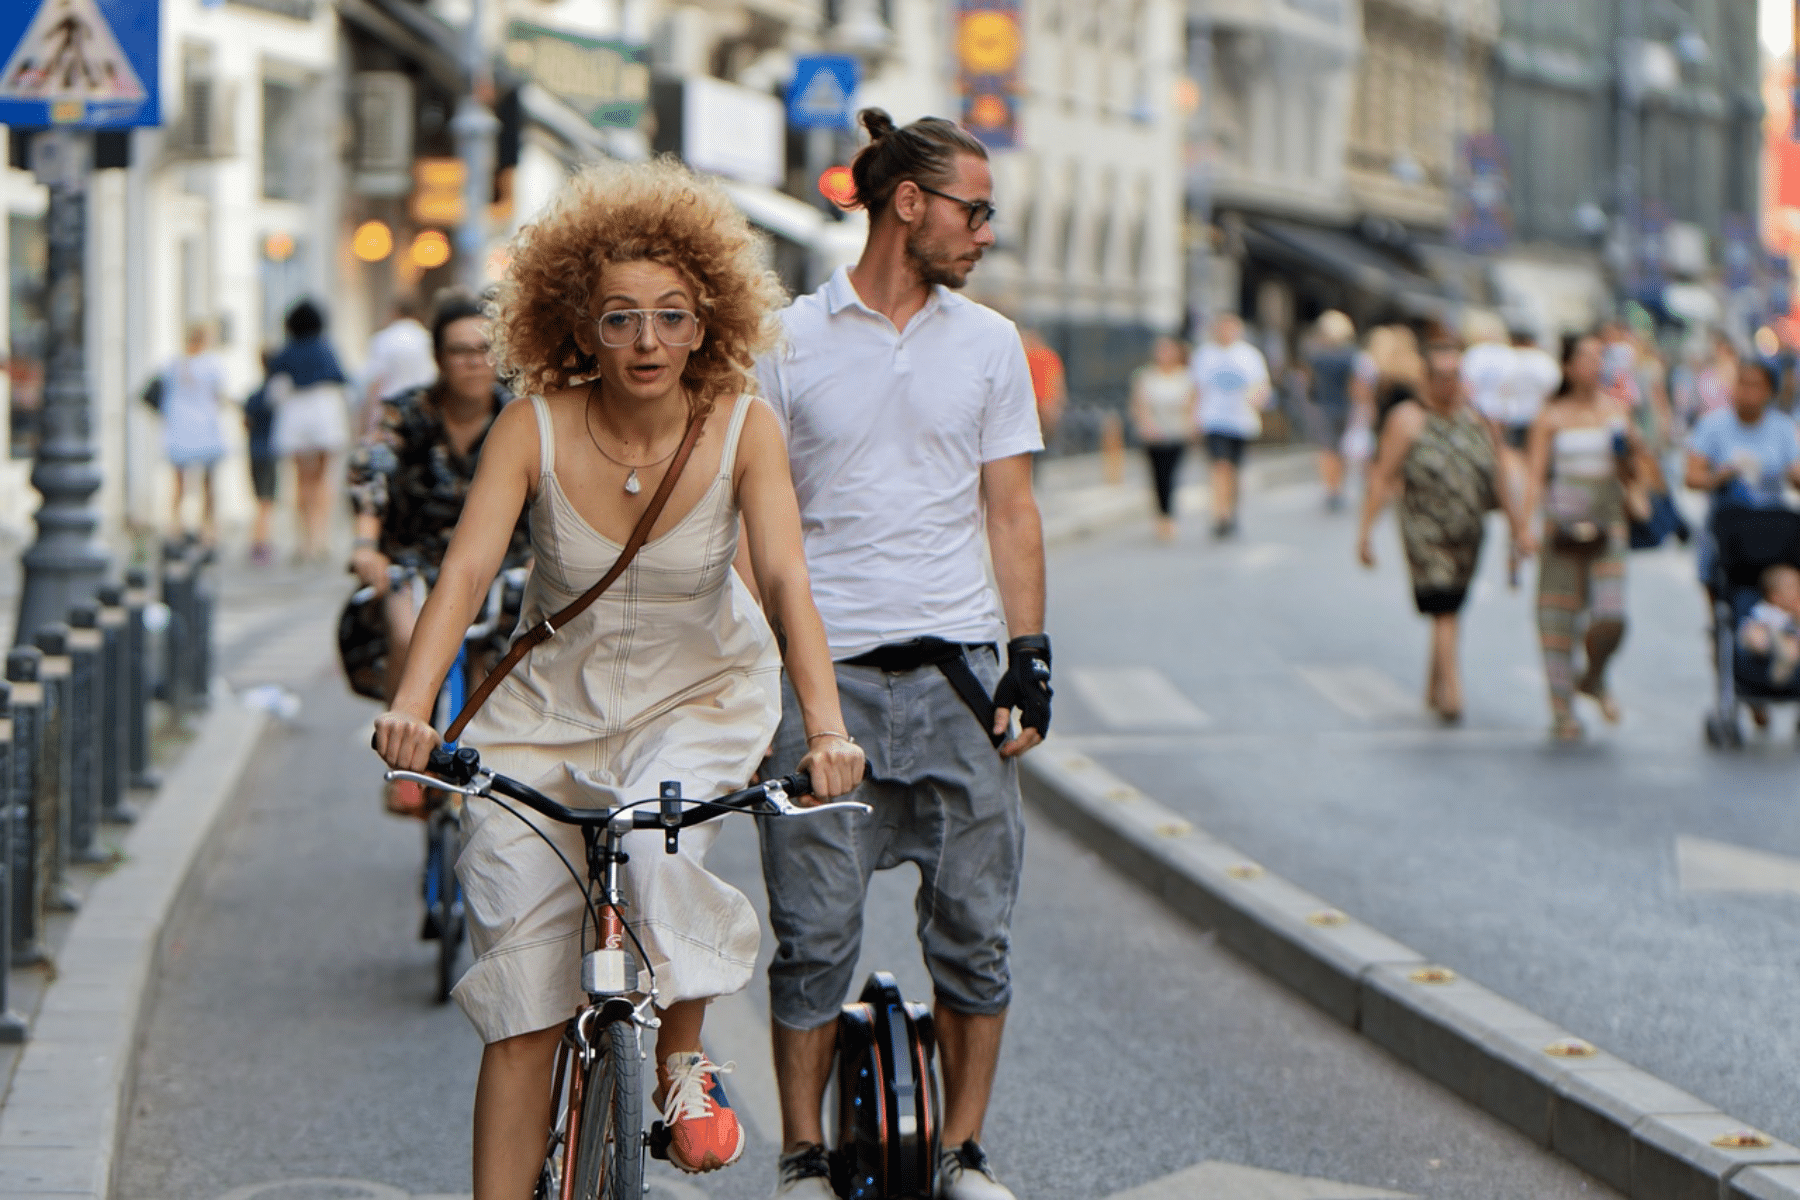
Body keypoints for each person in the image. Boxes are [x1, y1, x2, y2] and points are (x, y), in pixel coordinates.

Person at [372, 158, 865, 1196]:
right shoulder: (534, 424)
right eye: (620, 319)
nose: (648, 343)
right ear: (576, 326)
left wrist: (825, 728)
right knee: (523, 1001)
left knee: (654, 844)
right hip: (548, 712)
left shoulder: (742, 427)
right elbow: (464, 573)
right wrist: (411, 711)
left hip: (699, 698)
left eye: (672, 317)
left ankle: (679, 1059)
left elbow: (782, 580)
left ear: (707, 323)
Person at [752, 108, 1048, 1200]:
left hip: (959, 681)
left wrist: (1032, 657)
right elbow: (757, 529)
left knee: (977, 933)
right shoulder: (785, 341)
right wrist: (771, 672)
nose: (985, 232)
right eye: (973, 210)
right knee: (814, 936)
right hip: (827, 688)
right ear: (907, 204)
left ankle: (965, 1154)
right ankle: (800, 1158)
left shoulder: (990, 343)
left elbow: (1010, 511)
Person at [346, 294, 530, 815]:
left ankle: (486, 770)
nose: (473, 361)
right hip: (416, 557)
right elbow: (371, 473)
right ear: (439, 358)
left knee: (499, 660)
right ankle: (405, 753)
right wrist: (365, 545)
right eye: (459, 351)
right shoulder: (403, 413)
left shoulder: (520, 415)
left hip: (505, 562)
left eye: (484, 349)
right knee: (407, 628)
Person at [1357, 336, 1530, 722]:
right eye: (1443, 376)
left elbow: (1500, 477)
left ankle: (1434, 682)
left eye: (1457, 375)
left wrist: (1519, 529)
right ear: (1428, 379)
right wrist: (1365, 534)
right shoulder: (1407, 420)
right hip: (1424, 528)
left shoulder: (1479, 419)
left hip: (1469, 530)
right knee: (1444, 602)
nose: (1451, 384)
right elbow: (1383, 477)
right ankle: (1453, 688)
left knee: (1450, 605)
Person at [1522, 334, 1638, 742]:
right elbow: (1535, 477)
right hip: (1562, 524)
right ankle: (1562, 711)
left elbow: (1632, 474)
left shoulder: (1618, 411)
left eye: (1599, 356)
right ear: (1569, 367)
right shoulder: (1551, 415)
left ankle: (1593, 676)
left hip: (1608, 522)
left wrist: (1632, 456)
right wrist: (1524, 528)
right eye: (1586, 356)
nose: (1594, 363)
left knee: (1611, 615)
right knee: (1557, 617)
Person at [1685, 359, 1800, 595]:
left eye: (1755, 385)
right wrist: (1718, 477)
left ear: (1769, 391)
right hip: (1729, 522)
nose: (1747, 392)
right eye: (1742, 383)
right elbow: (1691, 477)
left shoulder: (1783, 428)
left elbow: (1795, 471)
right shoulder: (1712, 425)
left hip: (1772, 524)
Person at [267, 299, 351, 563]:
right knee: (325, 479)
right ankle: (321, 536)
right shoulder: (325, 349)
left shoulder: (287, 351)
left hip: (296, 414)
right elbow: (342, 377)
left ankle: (303, 540)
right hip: (324, 412)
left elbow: (275, 379)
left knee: (301, 480)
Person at [1192, 311, 1271, 538]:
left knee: (1234, 471)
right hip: (1213, 419)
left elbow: (1262, 386)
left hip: (1241, 421)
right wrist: (1193, 420)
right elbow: (1196, 389)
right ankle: (1220, 514)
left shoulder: (1250, 356)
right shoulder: (1204, 355)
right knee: (1219, 466)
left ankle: (1231, 510)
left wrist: (1256, 399)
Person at [161, 322, 229, 546]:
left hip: (180, 427)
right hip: (204, 427)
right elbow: (219, 396)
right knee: (208, 482)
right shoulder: (211, 366)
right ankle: (207, 528)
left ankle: (176, 525)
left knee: (179, 482)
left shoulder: (175, 365)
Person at [1130, 335, 1196, 541]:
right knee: (1157, 476)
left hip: (1177, 432)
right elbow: (1139, 404)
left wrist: (1191, 426)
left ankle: (1169, 516)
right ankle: (1161, 516)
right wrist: (1147, 426)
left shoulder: (1185, 377)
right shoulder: (1146, 376)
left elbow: (1193, 404)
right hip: (1154, 434)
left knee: (1171, 475)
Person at [1305, 310, 1358, 512]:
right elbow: (1355, 384)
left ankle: (1331, 489)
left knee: (1328, 449)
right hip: (1344, 405)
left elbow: (1310, 381)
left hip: (1323, 405)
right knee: (1339, 450)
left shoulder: (1317, 354)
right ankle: (1337, 488)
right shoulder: (1350, 355)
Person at [360, 294, 438, 432]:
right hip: (423, 410)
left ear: (395, 312)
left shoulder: (383, 339)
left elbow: (375, 382)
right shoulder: (427, 338)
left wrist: (366, 422)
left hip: (390, 413)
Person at [243, 349, 279, 566]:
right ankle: (261, 541)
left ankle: (259, 539)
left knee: (260, 499)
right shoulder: (275, 394)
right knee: (267, 500)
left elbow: (246, 421)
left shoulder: (255, 395)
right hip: (270, 450)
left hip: (254, 449)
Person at [1738, 564, 1800, 690]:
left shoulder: (1794, 614)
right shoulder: (1767, 609)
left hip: (1787, 642)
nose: (1798, 591)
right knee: (1755, 632)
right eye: (1792, 587)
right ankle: (1781, 654)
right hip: (1765, 640)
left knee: (1791, 645)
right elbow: (1757, 621)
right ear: (1775, 596)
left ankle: (1784, 663)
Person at [1021, 327, 1066, 457]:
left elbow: (1054, 385)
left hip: (1038, 409)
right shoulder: (1043, 357)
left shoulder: (1041, 357)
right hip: (1037, 408)